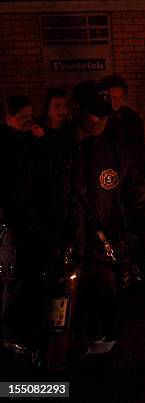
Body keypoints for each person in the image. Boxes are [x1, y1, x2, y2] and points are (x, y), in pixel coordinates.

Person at [57, 81, 145, 354]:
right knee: (60, 338)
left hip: (100, 257)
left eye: (105, 113)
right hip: (60, 260)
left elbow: (141, 199)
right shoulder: (53, 151)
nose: (101, 120)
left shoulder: (114, 152)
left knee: (105, 333)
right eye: (94, 113)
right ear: (76, 110)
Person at [0, 96, 48, 355]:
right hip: (15, 219)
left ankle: (27, 327)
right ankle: (10, 333)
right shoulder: (7, 144)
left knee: (30, 275)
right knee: (16, 276)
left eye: (31, 114)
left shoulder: (30, 139)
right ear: (9, 119)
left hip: (32, 217)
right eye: (24, 117)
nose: (30, 120)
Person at [102, 75, 145, 145]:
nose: (117, 101)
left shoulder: (132, 117)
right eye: (113, 97)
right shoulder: (100, 117)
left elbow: (139, 143)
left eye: (121, 97)